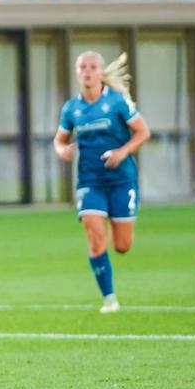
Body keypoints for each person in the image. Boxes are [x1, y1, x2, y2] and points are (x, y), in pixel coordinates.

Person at [53, 52, 151, 314]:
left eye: (92, 66)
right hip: (90, 180)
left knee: (122, 246)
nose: (87, 71)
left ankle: (110, 218)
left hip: (121, 180)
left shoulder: (117, 102)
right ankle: (109, 299)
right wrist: (62, 150)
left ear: (101, 72)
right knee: (95, 237)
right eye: (82, 67)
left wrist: (122, 152)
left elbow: (143, 132)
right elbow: (59, 140)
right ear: (77, 73)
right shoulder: (71, 108)